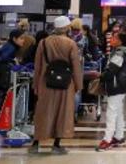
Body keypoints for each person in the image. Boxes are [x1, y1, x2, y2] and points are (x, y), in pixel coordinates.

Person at [31, 16, 83, 154]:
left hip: (46, 81)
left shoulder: (43, 43)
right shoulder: (71, 44)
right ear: (66, 28)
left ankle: (36, 143)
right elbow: (76, 66)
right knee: (62, 112)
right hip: (65, 83)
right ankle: (57, 145)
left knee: (43, 112)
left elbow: (38, 65)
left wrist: (36, 84)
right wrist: (78, 85)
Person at [96, 31, 126, 151]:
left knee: (111, 113)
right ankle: (119, 136)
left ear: (120, 41)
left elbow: (112, 70)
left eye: (114, 38)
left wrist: (101, 76)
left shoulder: (119, 53)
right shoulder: (120, 51)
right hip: (121, 84)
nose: (111, 39)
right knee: (119, 112)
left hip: (116, 85)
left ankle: (107, 139)